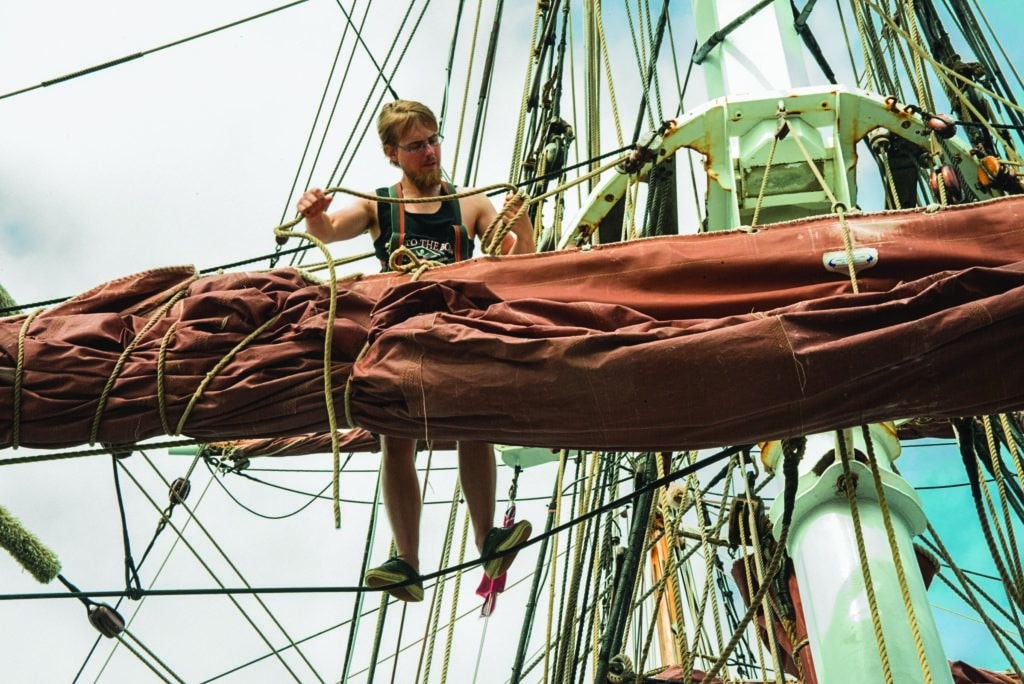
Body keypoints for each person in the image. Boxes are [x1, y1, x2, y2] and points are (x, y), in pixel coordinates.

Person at [296, 99, 535, 602]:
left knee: (474, 426)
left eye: (433, 139)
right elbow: (329, 231)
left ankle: (488, 537)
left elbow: (517, 259)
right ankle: (407, 561)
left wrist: (523, 223)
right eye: (417, 145)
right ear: (392, 153)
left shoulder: (469, 203)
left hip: (453, 327)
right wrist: (315, 215)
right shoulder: (378, 206)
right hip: (398, 332)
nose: (430, 152)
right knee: (395, 438)